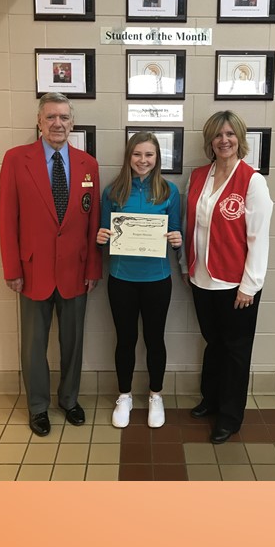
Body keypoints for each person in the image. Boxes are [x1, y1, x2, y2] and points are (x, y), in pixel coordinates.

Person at [0, 93, 101, 436]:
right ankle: (38, 406)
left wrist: (92, 270)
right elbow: (7, 219)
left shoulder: (88, 164)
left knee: (73, 342)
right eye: (51, 117)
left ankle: (69, 400)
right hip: (32, 271)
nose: (58, 124)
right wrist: (12, 268)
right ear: (39, 122)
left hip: (76, 271)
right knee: (33, 346)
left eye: (64, 118)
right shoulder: (15, 160)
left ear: (73, 123)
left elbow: (92, 220)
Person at [184, 111, 273, 444]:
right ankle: (211, 399)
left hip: (236, 285)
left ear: (239, 138)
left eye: (230, 134)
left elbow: (258, 238)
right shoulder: (198, 177)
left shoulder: (252, 181)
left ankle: (230, 416)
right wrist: (185, 264)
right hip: (201, 279)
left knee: (236, 351)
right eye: (218, 135)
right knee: (214, 344)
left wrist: (250, 286)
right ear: (210, 140)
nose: (224, 140)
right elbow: (191, 224)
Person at [96, 132, 183, 429]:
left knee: (155, 339)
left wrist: (176, 238)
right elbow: (102, 235)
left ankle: (155, 395)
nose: (143, 160)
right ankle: (125, 395)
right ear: (128, 157)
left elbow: (176, 234)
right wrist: (100, 237)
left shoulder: (169, 191)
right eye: (137, 154)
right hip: (122, 278)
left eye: (149, 155)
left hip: (157, 279)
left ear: (157, 158)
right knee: (126, 339)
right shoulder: (113, 192)